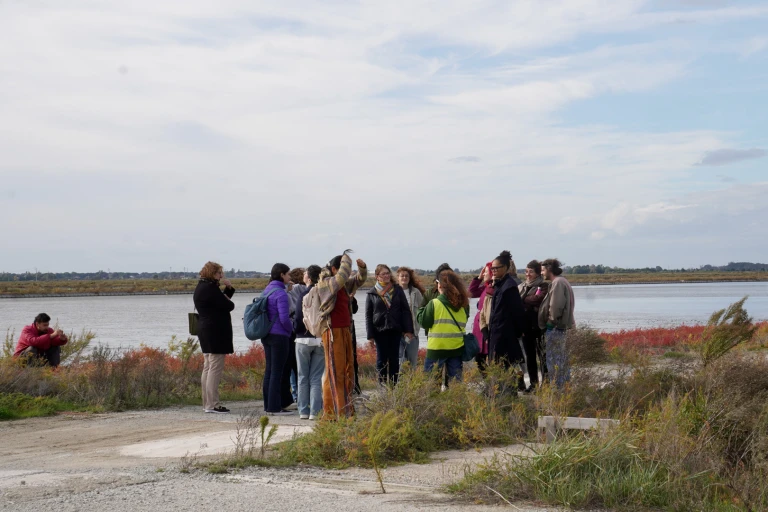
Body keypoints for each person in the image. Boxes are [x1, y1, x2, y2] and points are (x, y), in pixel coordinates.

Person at [317, 251, 367, 419]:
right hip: (332, 332)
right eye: (342, 269)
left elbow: (358, 281)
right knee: (334, 371)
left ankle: (346, 408)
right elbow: (342, 276)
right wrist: (346, 258)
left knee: (347, 370)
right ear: (333, 269)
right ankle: (332, 413)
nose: (347, 273)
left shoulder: (343, 284)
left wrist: (362, 269)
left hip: (345, 331)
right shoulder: (326, 283)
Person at [193, 262, 235, 414]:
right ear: (212, 273)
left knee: (208, 366)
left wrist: (228, 290)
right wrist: (227, 293)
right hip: (215, 331)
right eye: (218, 273)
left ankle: (207, 403)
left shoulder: (201, 287)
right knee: (215, 367)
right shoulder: (210, 288)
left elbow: (219, 303)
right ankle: (213, 404)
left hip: (204, 329)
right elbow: (228, 306)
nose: (221, 276)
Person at [365, 264, 414, 386]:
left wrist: (408, 330)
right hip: (379, 331)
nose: (387, 276)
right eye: (383, 274)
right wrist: (370, 336)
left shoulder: (397, 290)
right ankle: (382, 387)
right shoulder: (372, 293)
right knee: (381, 360)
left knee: (394, 361)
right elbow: (368, 316)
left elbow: (406, 311)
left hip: (395, 330)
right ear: (377, 277)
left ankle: (393, 387)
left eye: (388, 273)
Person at [417, 270, 469, 383]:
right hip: (456, 348)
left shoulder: (435, 303)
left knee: (430, 384)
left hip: (437, 349)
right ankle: (456, 401)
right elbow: (465, 319)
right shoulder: (463, 304)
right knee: (456, 384)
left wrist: (420, 310)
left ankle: (434, 401)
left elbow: (424, 322)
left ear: (440, 285)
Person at [487, 250, 527, 390]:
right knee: (498, 368)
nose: (493, 271)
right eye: (492, 268)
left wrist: (519, 331)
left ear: (506, 268)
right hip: (497, 333)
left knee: (505, 367)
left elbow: (518, 312)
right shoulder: (499, 285)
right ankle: (499, 394)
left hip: (505, 335)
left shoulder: (509, 287)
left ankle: (508, 395)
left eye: (496, 268)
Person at [290, 265, 324, 420]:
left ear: (309, 278)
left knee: (302, 376)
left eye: (305, 273)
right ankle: (315, 412)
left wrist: (297, 330)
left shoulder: (303, 294)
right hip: (319, 339)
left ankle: (303, 410)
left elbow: (297, 319)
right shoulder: (324, 294)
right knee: (316, 377)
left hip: (302, 339)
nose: (303, 275)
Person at [262, 263, 294, 416]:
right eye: (288, 274)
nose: (289, 277)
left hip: (266, 334)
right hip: (279, 336)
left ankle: (268, 405)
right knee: (277, 372)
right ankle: (275, 407)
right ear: (282, 275)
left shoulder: (267, 290)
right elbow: (284, 318)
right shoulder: (280, 294)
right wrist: (290, 329)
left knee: (269, 370)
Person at [538, 258, 576, 388]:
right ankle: (565, 388)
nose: (541, 273)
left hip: (556, 328)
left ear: (549, 269)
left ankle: (559, 390)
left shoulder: (558, 283)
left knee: (555, 361)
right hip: (561, 328)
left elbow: (556, 306)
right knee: (562, 360)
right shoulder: (563, 281)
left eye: (542, 270)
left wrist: (550, 322)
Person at [518, 260, 550, 390]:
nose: (527, 274)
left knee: (542, 356)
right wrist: (527, 302)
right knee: (530, 357)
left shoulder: (544, 286)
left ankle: (546, 384)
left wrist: (524, 300)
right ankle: (533, 384)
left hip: (538, 327)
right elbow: (517, 302)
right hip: (526, 327)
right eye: (526, 271)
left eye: (530, 272)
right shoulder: (522, 286)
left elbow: (539, 299)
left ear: (537, 273)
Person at [396, 267, 425, 369]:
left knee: (412, 363)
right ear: (398, 278)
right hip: (397, 334)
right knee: (400, 362)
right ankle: (399, 384)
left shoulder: (415, 292)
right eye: (402, 276)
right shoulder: (393, 291)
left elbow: (422, 310)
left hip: (413, 334)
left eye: (406, 276)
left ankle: (411, 383)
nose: (404, 277)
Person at [469, 263, 494, 375]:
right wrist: (478, 278)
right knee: (479, 357)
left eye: (486, 272)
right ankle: (487, 384)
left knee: (490, 357)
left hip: (487, 325)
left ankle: (493, 386)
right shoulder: (485, 287)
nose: (483, 274)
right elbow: (472, 292)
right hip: (479, 327)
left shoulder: (493, 288)